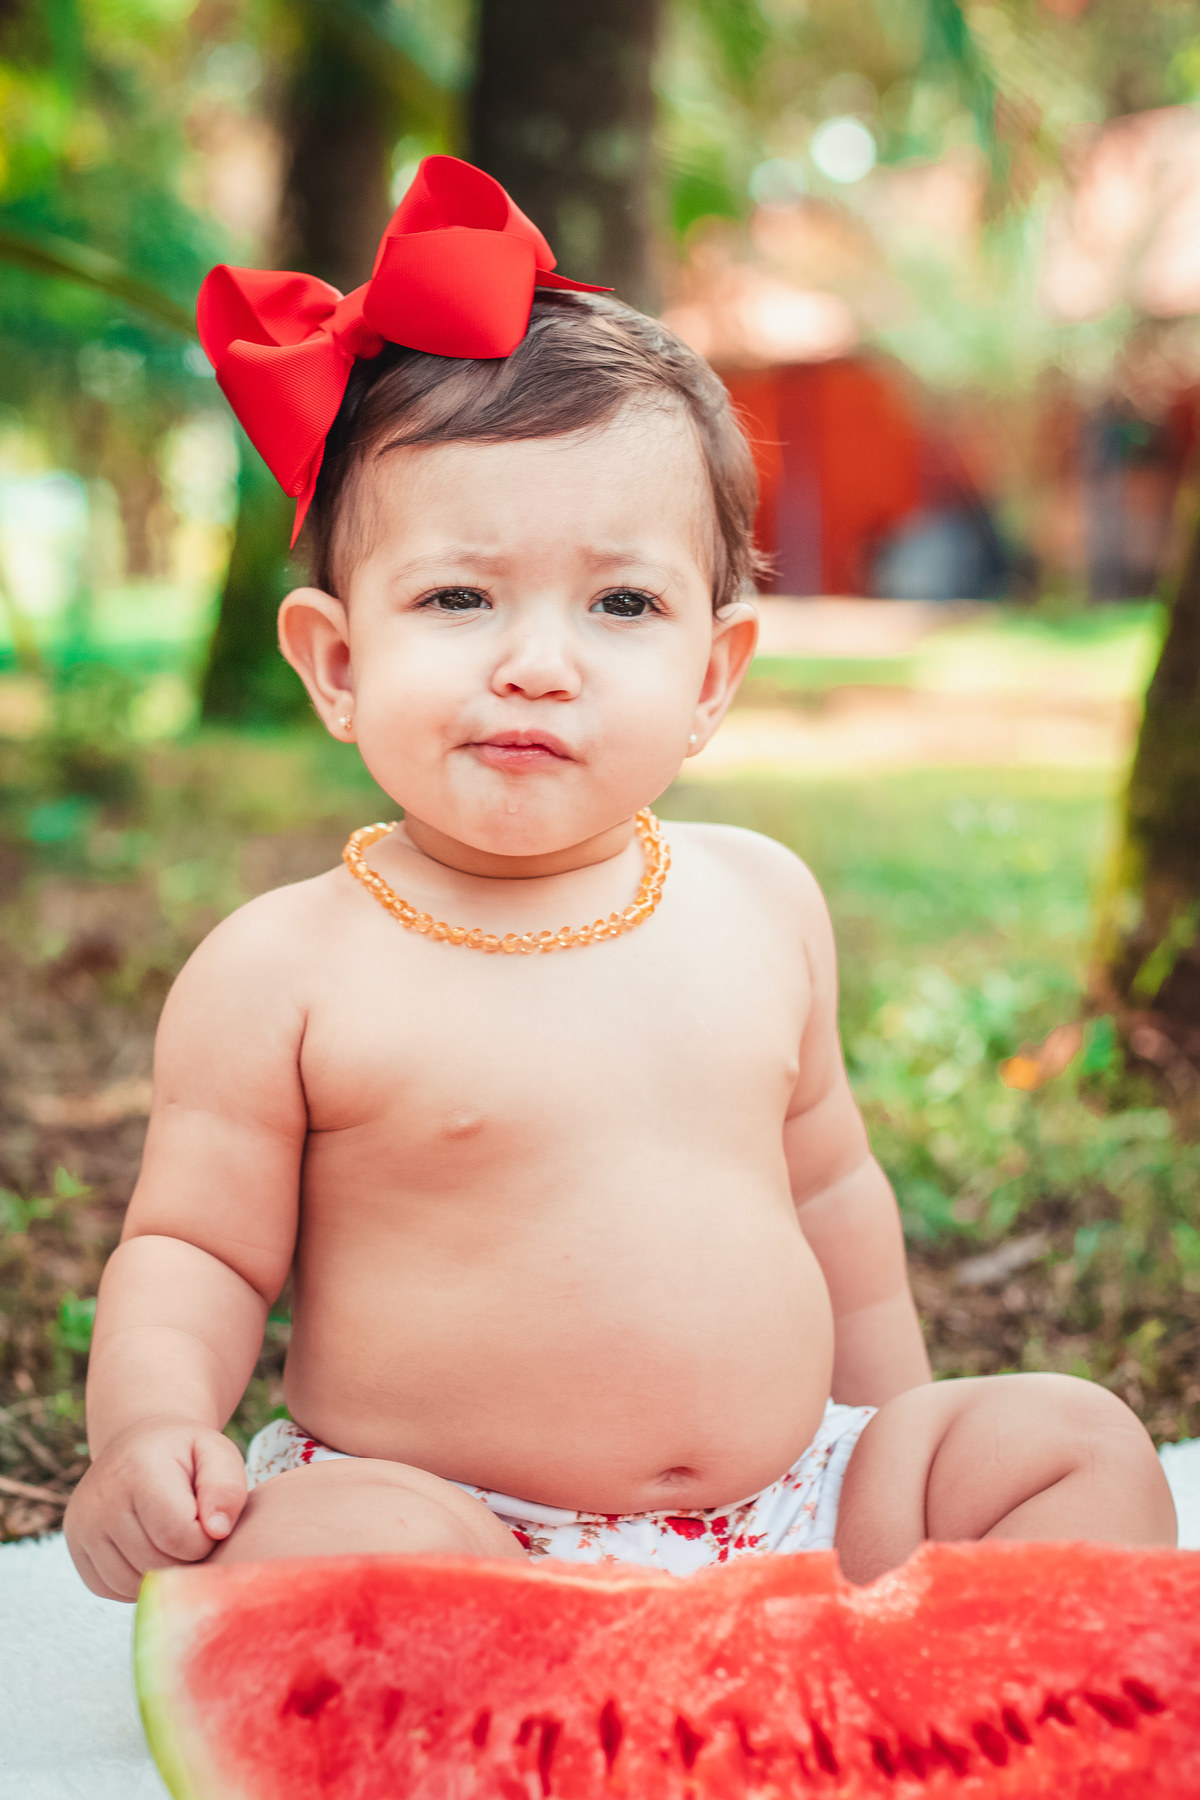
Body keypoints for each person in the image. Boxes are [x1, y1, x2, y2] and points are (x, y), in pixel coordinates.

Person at [64, 158, 1175, 1602]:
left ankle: (947, 1686)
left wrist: (896, 1438)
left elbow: (835, 1200)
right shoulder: (283, 971)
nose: (540, 659)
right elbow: (193, 1249)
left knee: (1073, 1441)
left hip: (798, 1512)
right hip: (460, 1535)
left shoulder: (762, 900)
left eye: (623, 603)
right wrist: (148, 1432)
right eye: (459, 597)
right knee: (337, 1561)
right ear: (337, 665)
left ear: (713, 677)